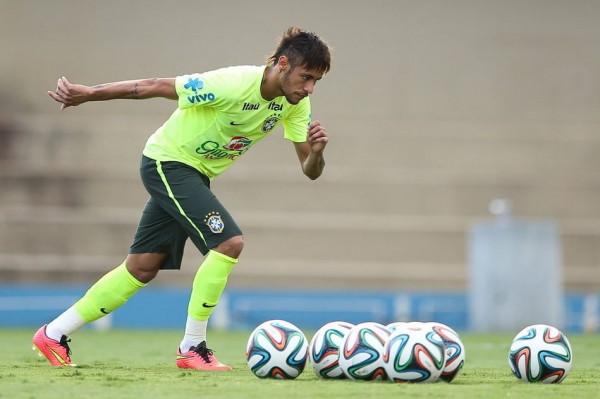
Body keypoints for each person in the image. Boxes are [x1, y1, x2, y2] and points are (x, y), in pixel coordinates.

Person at [33, 27, 332, 370]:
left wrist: (318, 152)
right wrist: (89, 94)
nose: (309, 88)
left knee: (143, 267)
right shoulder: (233, 83)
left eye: (316, 82)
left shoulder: (296, 105)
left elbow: (310, 170)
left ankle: (52, 334)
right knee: (229, 243)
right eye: (306, 77)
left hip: (196, 175)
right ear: (282, 63)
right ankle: (193, 347)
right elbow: (156, 85)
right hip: (168, 162)